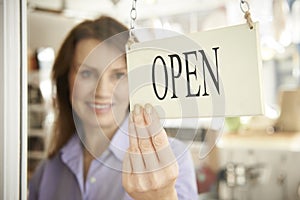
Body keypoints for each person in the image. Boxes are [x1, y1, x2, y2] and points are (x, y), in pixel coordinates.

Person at [28, 15, 198, 200]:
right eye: (86, 73)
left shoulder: (171, 160)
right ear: (65, 81)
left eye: (118, 76)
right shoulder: (47, 171)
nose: (102, 91)